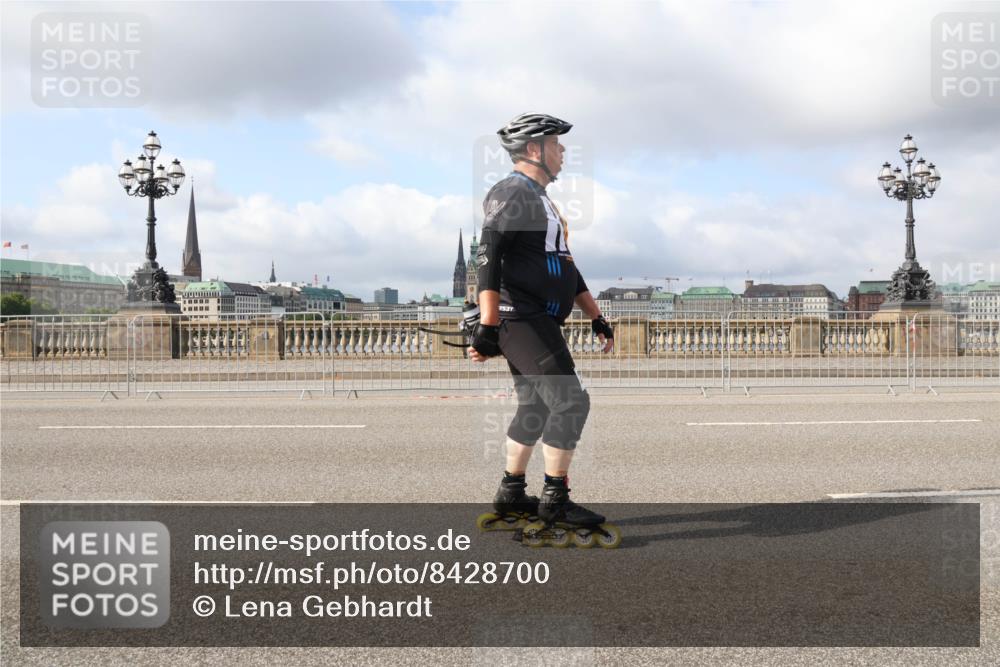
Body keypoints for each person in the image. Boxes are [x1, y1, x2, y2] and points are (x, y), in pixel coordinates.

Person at [469, 112, 617, 546]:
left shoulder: (541, 200)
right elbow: (488, 258)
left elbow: (567, 267)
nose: (564, 151)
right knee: (571, 402)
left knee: (534, 407)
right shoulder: (512, 191)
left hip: (537, 317)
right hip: (522, 317)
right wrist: (488, 326)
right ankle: (555, 500)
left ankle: (512, 493)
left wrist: (595, 315)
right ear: (535, 149)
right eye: (557, 144)